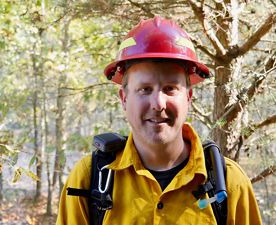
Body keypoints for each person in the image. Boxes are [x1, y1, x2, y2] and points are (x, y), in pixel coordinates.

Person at [56, 16, 262, 225]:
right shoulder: (90, 179)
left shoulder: (229, 183)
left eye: (170, 89)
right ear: (124, 99)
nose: (158, 103)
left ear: (188, 98)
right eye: (145, 89)